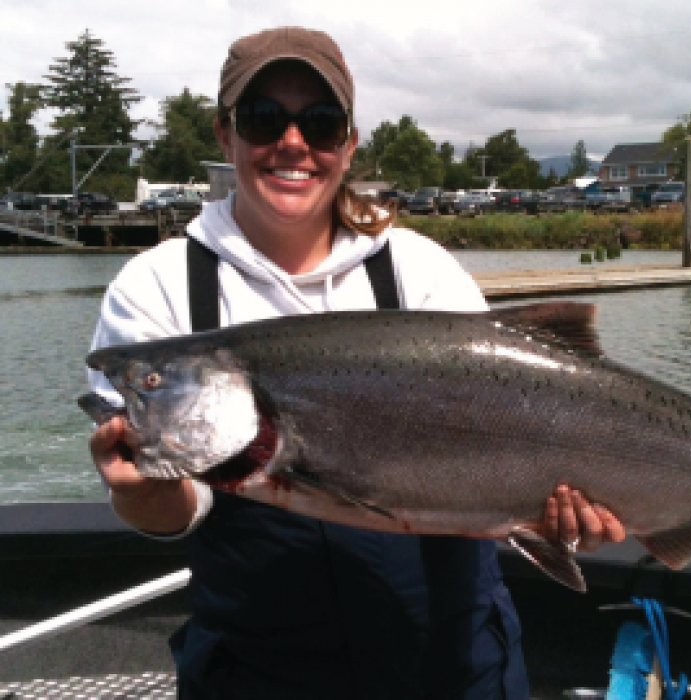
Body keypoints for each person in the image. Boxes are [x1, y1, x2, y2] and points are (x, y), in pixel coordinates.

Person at [87, 26, 626, 700]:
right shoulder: (156, 288)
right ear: (225, 136)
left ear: (348, 143)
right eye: (263, 119)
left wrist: (559, 519)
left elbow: (513, 427)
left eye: (319, 121)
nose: (292, 142)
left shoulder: (419, 269)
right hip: (259, 671)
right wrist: (139, 493)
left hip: (450, 664)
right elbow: (177, 511)